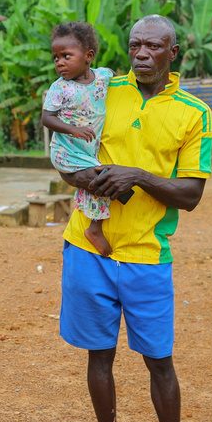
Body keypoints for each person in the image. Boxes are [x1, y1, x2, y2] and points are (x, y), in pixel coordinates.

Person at [56, 14, 212, 422]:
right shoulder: (101, 90)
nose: (142, 54)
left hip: (148, 255)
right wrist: (86, 178)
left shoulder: (193, 112)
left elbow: (190, 194)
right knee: (99, 356)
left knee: (160, 363)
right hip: (88, 246)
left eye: (153, 47)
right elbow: (67, 152)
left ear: (173, 54)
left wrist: (137, 176)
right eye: (134, 46)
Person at [41, 22, 124, 257]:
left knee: (100, 180)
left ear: (88, 56)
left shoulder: (104, 77)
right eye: (56, 57)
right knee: (102, 181)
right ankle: (94, 229)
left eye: (66, 56)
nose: (59, 62)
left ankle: (93, 224)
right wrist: (72, 130)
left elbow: (124, 85)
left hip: (88, 152)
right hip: (66, 151)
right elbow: (47, 118)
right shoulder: (60, 88)